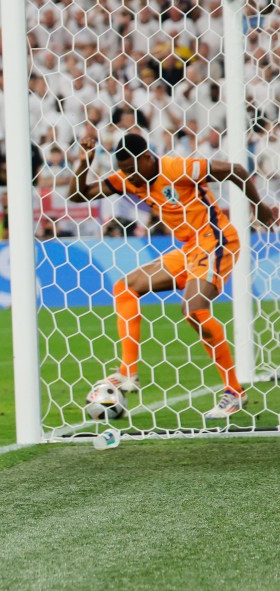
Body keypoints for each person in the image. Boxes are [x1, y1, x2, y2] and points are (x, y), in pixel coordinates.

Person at [70, 133, 276, 419]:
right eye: (125, 171)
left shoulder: (178, 168)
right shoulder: (127, 177)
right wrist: (83, 163)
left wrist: (260, 206)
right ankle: (128, 372)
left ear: (146, 158)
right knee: (125, 287)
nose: (129, 177)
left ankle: (234, 390)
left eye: (132, 169)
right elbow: (78, 195)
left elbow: (235, 170)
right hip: (189, 248)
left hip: (216, 239)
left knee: (193, 309)